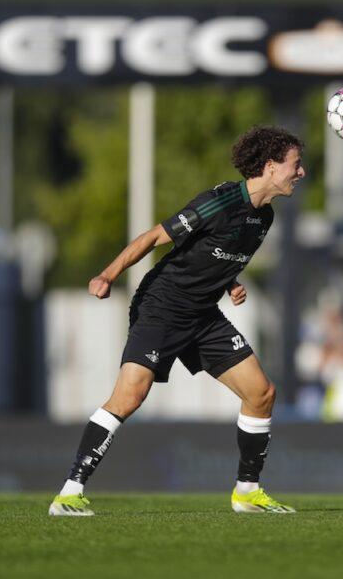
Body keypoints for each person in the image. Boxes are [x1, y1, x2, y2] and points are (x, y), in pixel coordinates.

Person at [49, 125, 304, 516]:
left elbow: (211, 254)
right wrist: (107, 275)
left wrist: (230, 283)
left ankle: (247, 492)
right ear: (270, 167)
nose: (300, 173)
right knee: (130, 395)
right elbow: (154, 237)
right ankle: (69, 492)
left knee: (262, 393)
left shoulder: (264, 218)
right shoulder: (218, 201)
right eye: (295, 165)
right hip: (162, 306)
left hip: (203, 314)